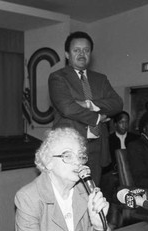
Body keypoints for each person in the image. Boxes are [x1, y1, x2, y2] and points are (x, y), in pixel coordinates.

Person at [11, 127, 110, 231]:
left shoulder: (86, 191)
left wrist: (99, 227)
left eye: (80, 156)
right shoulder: (28, 198)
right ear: (48, 162)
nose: (77, 162)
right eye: (67, 155)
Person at [49, 31, 123, 187]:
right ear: (67, 54)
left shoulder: (100, 79)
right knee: (70, 196)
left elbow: (117, 103)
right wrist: (97, 117)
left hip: (96, 147)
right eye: (76, 50)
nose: (82, 54)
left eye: (86, 50)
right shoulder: (58, 77)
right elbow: (67, 108)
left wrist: (89, 104)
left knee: (93, 197)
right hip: (70, 149)